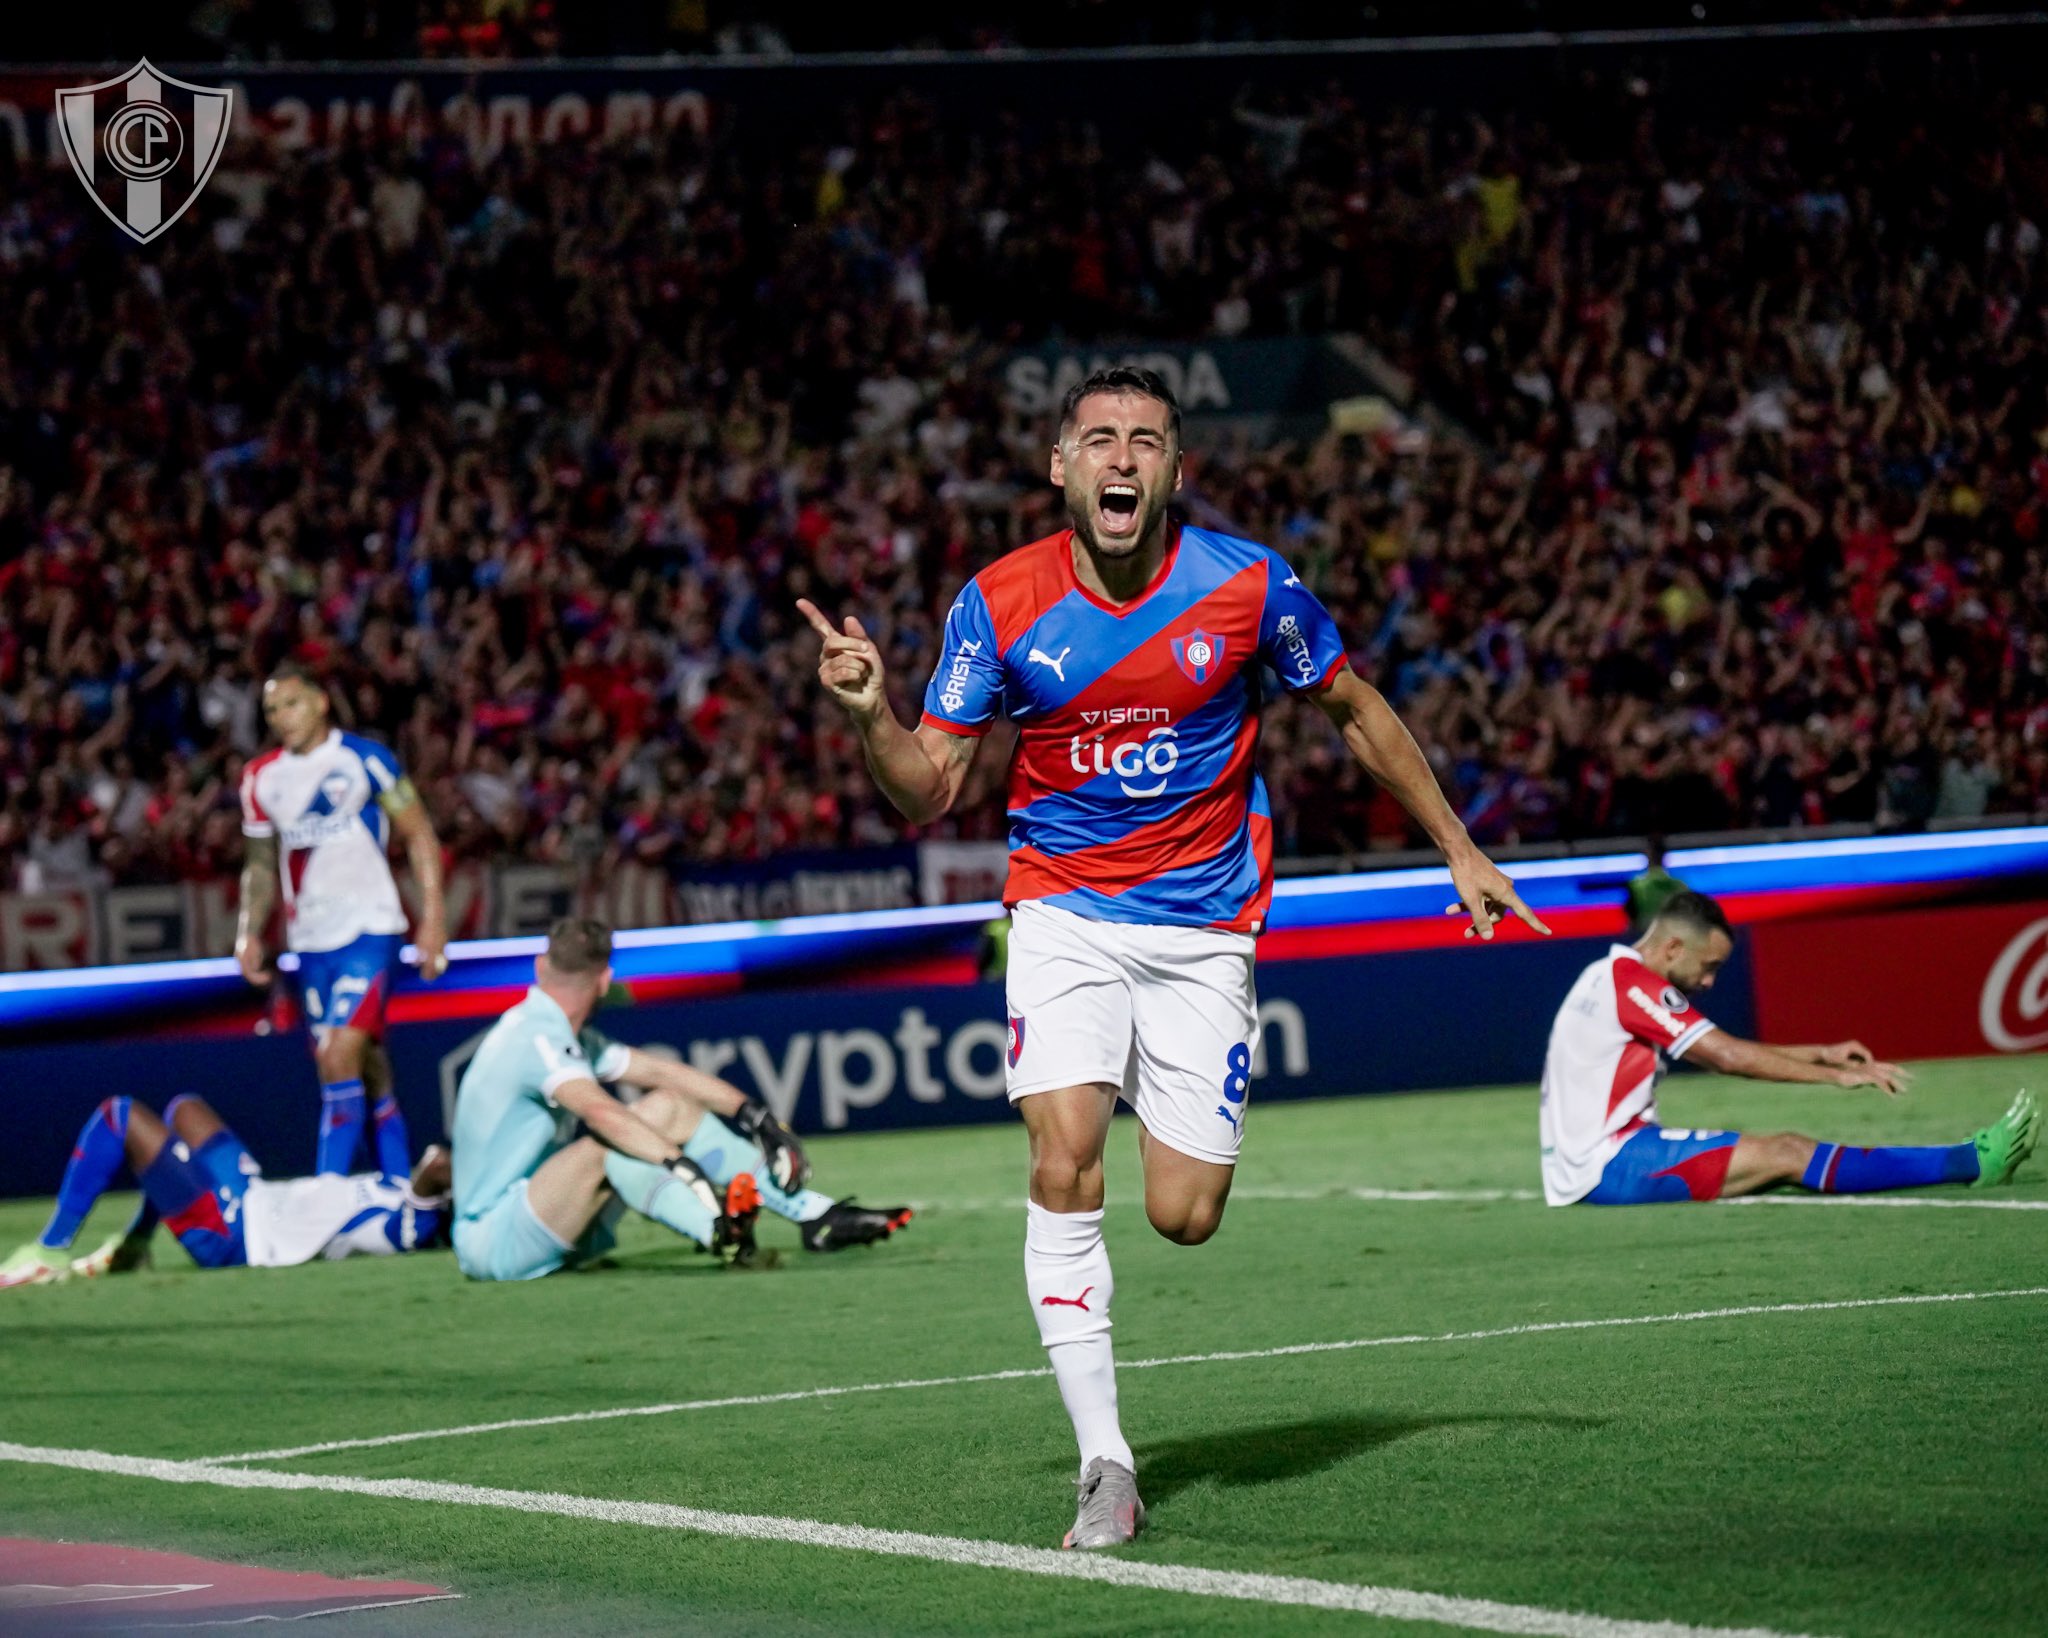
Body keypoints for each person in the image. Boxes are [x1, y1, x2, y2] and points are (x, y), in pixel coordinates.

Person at [798, 365, 1545, 1550]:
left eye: (1145, 441)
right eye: (1098, 438)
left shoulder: (1249, 587)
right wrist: (867, 717)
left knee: (1184, 1215)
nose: (1121, 458)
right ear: (1059, 467)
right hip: (1063, 909)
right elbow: (928, 788)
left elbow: (1354, 710)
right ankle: (1104, 1462)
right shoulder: (997, 603)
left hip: (1202, 924)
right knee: (1061, 1161)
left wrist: (1457, 846)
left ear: (1174, 472)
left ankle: (1150, 1079)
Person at [450, 916, 911, 1281]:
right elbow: (600, 1112)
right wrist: (683, 1167)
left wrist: (756, 1116)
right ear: (605, 979)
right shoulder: (536, 1038)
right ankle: (718, 1231)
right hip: (493, 1240)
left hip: (542, 1216)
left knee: (668, 1106)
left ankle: (812, 1214)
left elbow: (661, 1073)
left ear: (540, 966)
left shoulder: (561, 1034)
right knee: (612, 1142)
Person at [1540, 889, 2038, 1206]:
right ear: (1673, 948)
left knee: (1782, 1158)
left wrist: (1820, 1052)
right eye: (1709, 966)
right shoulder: (1633, 985)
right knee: (1788, 1153)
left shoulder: (1604, 975)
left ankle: (1963, 1160)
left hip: (1591, 1159)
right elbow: (1727, 1057)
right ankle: (1970, 1162)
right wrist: (1834, 1076)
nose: (1709, 982)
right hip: (1608, 1163)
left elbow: (1725, 1048)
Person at [236, 662, 448, 1179]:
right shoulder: (260, 778)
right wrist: (248, 931)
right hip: (310, 942)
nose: (282, 717)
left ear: (320, 702)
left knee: (337, 1056)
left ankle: (325, 1191)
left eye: (291, 703)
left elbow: (418, 833)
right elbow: (259, 864)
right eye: (272, 710)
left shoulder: (365, 759)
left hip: (370, 929)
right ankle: (399, 1190)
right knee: (367, 1070)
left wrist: (434, 919)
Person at [0, 1094, 450, 1288]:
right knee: (185, 1109)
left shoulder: (407, 1227)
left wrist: (447, 1177)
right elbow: (385, 1105)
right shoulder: (397, 1184)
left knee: (118, 1116)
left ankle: (48, 1252)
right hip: (253, 1196)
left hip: (234, 1236)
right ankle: (135, 1245)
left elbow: (426, 1192)